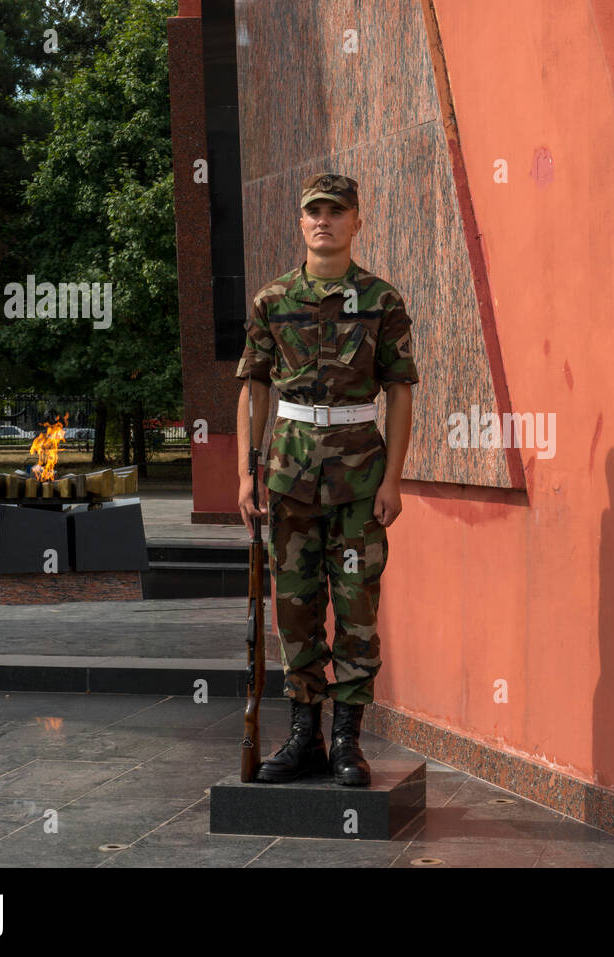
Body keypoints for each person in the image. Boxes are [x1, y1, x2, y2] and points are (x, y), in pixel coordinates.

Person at [235, 172, 419, 787]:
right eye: (314, 210)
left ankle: (347, 743)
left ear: (356, 221)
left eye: (336, 211)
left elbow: (399, 391)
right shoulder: (272, 300)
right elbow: (255, 387)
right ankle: (302, 738)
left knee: (357, 607)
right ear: (301, 221)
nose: (324, 221)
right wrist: (245, 475)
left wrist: (393, 478)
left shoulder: (381, 300)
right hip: (289, 475)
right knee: (294, 610)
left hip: (361, 477)